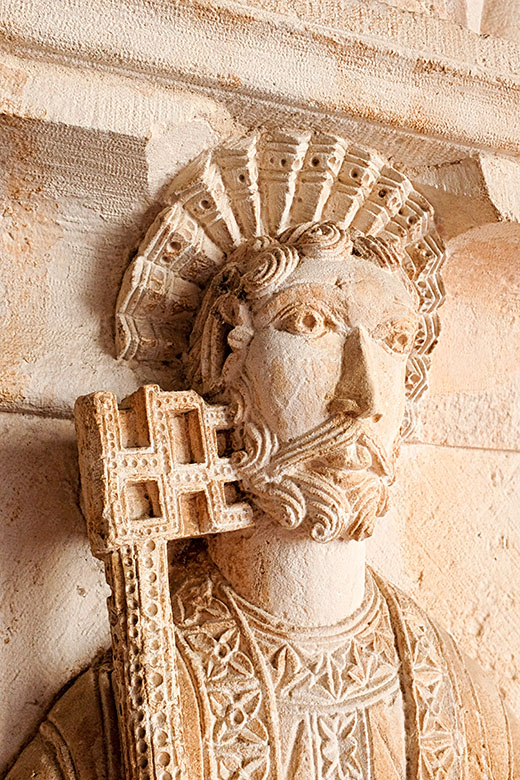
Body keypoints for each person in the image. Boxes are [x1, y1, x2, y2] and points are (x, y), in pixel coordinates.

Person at [7, 221, 519, 779]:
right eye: (310, 324)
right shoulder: (133, 702)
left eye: (394, 340)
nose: (364, 397)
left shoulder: (466, 703)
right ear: (229, 362)